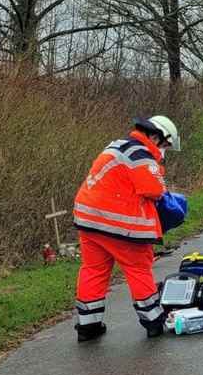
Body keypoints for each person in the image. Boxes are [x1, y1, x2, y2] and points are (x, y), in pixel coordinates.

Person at [73, 115, 181, 342]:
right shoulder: (141, 154)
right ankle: (154, 322)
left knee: (93, 271)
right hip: (120, 226)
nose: (163, 152)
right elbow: (154, 190)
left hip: (89, 220)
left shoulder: (118, 145)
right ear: (155, 137)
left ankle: (88, 327)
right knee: (138, 270)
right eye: (164, 146)